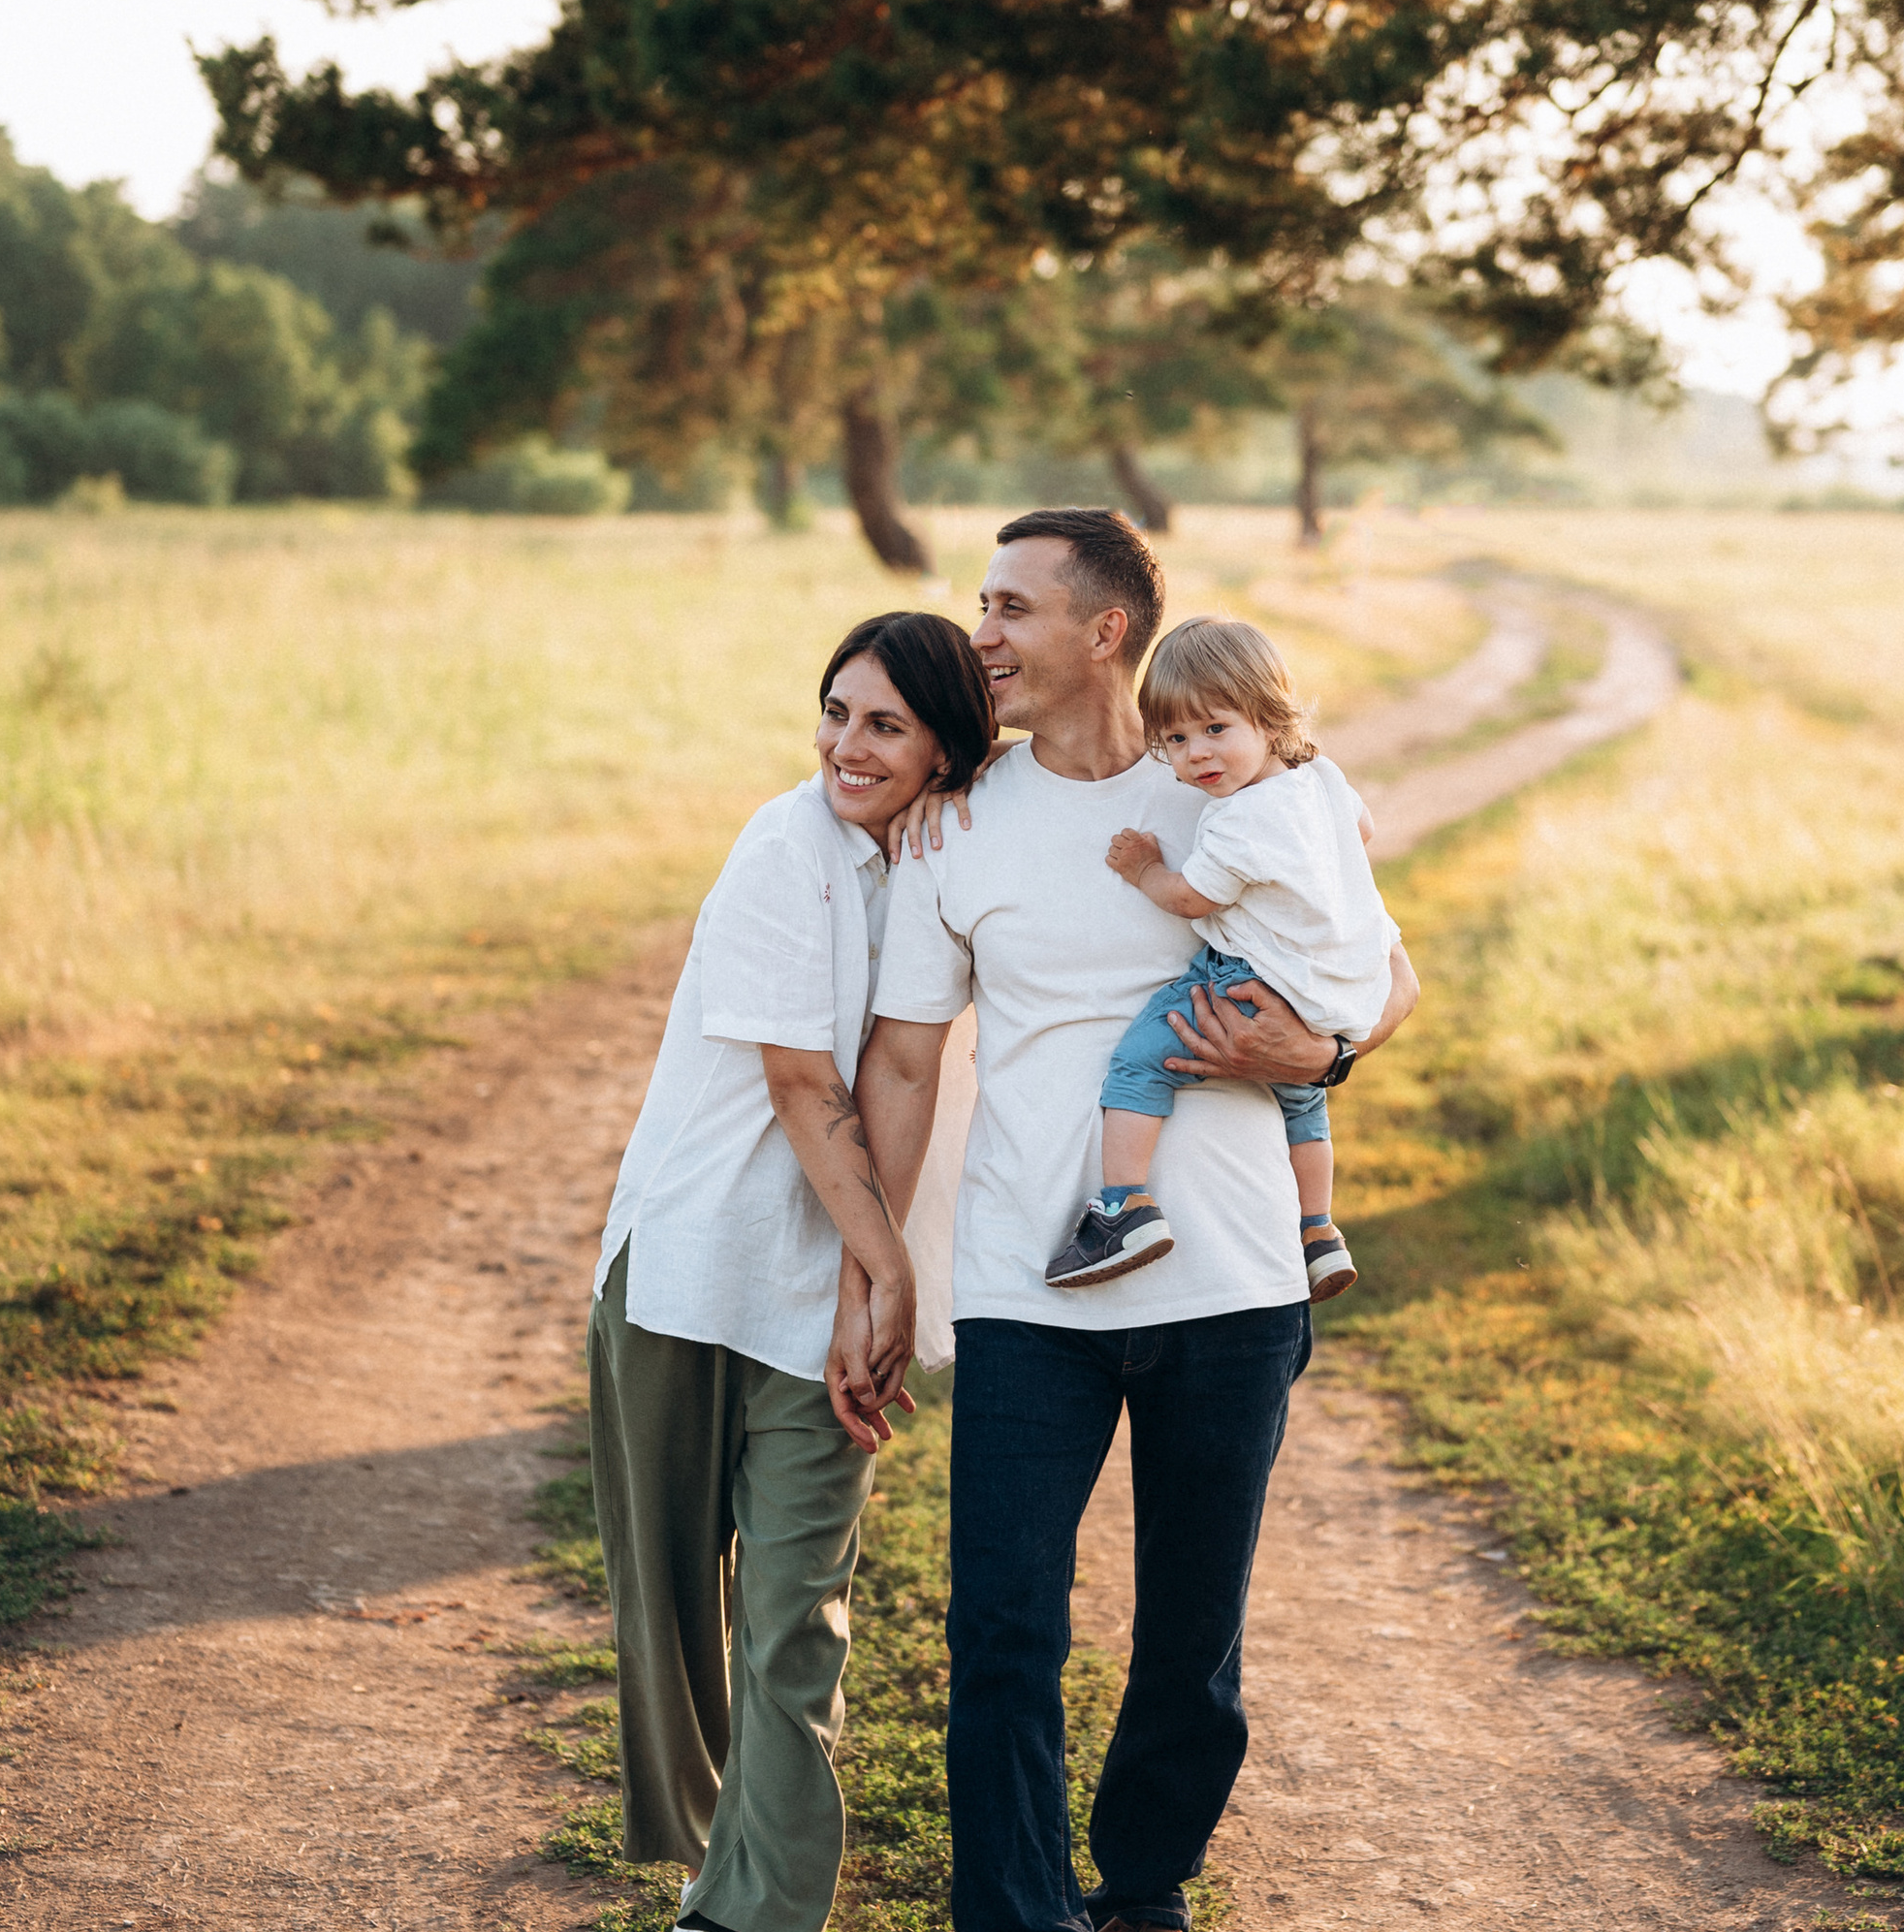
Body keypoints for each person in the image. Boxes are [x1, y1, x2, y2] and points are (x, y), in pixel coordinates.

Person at [841, 508, 1420, 1932]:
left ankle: (1148, 1884)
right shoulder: (955, 822)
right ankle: (1015, 1913)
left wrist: (1325, 1060)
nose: (980, 636)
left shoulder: (1234, 785)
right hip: (1031, 1291)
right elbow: (907, 1059)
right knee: (1001, 1633)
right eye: (981, 606)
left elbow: (1387, 975)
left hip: (1229, 1286)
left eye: (1010, 608)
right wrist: (878, 1269)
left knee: (1188, 1635)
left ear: (1105, 630)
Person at [586, 611, 995, 1932]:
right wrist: (887, 1272)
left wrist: (867, 1288)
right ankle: (716, 1861)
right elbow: (799, 1083)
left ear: (945, 748)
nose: (847, 745)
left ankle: (757, 1912)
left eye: (885, 723)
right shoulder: (784, 846)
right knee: (676, 1612)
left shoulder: (951, 857)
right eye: (836, 712)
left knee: (792, 1624)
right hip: (696, 1274)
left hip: (830, 1308)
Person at [1047, 614, 1387, 1303]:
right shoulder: (1317, 774)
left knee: (1141, 1060)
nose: (1196, 755)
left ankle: (1123, 1208)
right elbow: (1365, 827)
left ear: (1268, 716)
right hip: (1332, 987)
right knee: (1301, 1101)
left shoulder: (1238, 820)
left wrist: (1143, 869)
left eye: (1215, 730)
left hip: (1249, 980)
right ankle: (1318, 1230)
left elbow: (1190, 898)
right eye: (1175, 739)